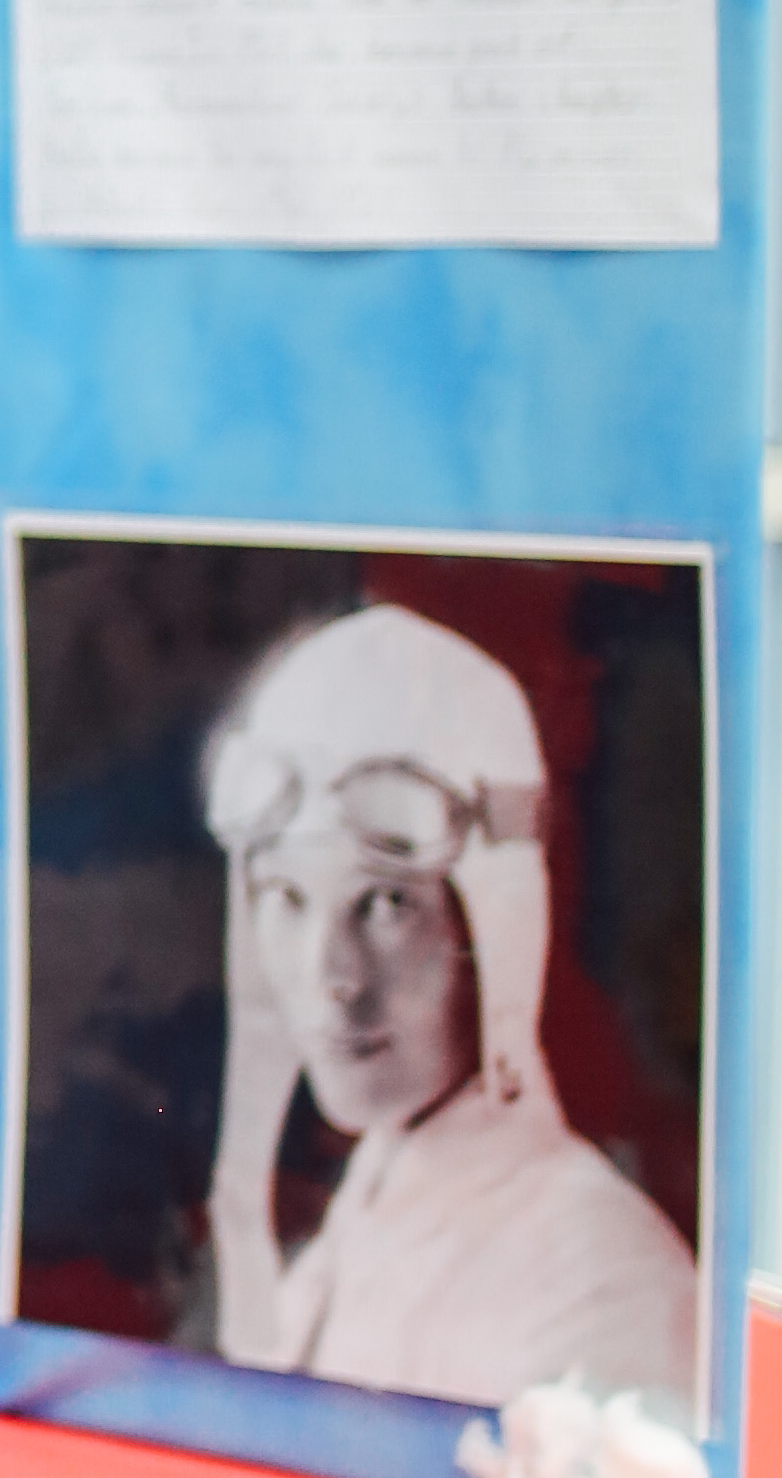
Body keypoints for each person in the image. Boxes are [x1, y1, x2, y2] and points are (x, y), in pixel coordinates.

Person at [200, 602, 700, 1415]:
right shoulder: (363, 1222)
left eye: (388, 905)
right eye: (288, 897)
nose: (333, 976)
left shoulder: (601, 1289)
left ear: (494, 927)